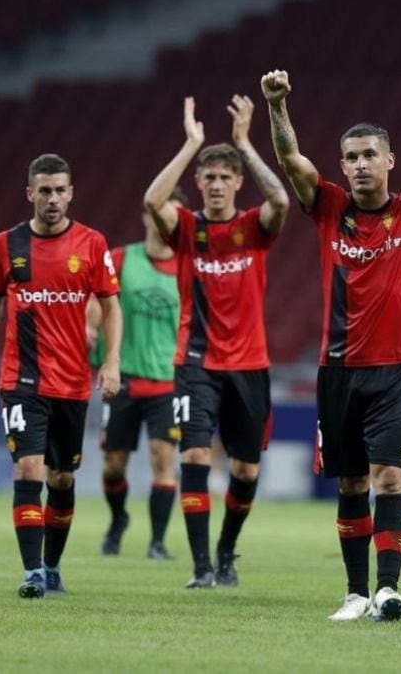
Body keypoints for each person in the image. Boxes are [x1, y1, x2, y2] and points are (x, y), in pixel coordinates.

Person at [261, 67, 401, 621]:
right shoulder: (329, 207)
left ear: (389, 161)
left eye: (369, 155)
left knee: (390, 478)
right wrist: (277, 105)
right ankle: (355, 594)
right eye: (351, 157)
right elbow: (290, 160)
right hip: (337, 371)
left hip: (396, 371)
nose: (359, 165)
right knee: (352, 481)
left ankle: (387, 589)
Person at [144, 95, 290, 589]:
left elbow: (281, 201)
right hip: (196, 362)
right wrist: (192, 144)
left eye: (226, 177)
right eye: (209, 177)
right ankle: (202, 566)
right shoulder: (187, 229)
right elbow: (152, 201)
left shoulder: (253, 228)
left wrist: (245, 143)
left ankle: (227, 550)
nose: (217, 185)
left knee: (245, 470)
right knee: (194, 456)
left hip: (249, 364)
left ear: (238, 182)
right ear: (200, 182)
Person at [0, 153, 123, 599]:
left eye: (60, 190)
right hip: (22, 379)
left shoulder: (92, 243)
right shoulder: (6, 244)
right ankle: (33, 572)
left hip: (73, 383)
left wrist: (111, 361)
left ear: (71, 193)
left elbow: (111, 305)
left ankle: (53, 566)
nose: (52, 198)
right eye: (44, 191)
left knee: (61, 479)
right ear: (30, 194)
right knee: (28, 467)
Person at [89, 189, 188, 559]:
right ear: (147, 216)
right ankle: (118, 520)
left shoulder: (188, 267)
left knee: (163, 460)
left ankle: (157, 543)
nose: (165, 222)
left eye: (173, 217)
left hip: (168, 382)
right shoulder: (120, 259)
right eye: (160, 214)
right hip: (123, 379)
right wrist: (89, 326)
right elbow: (97, 301)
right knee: (114, 466)